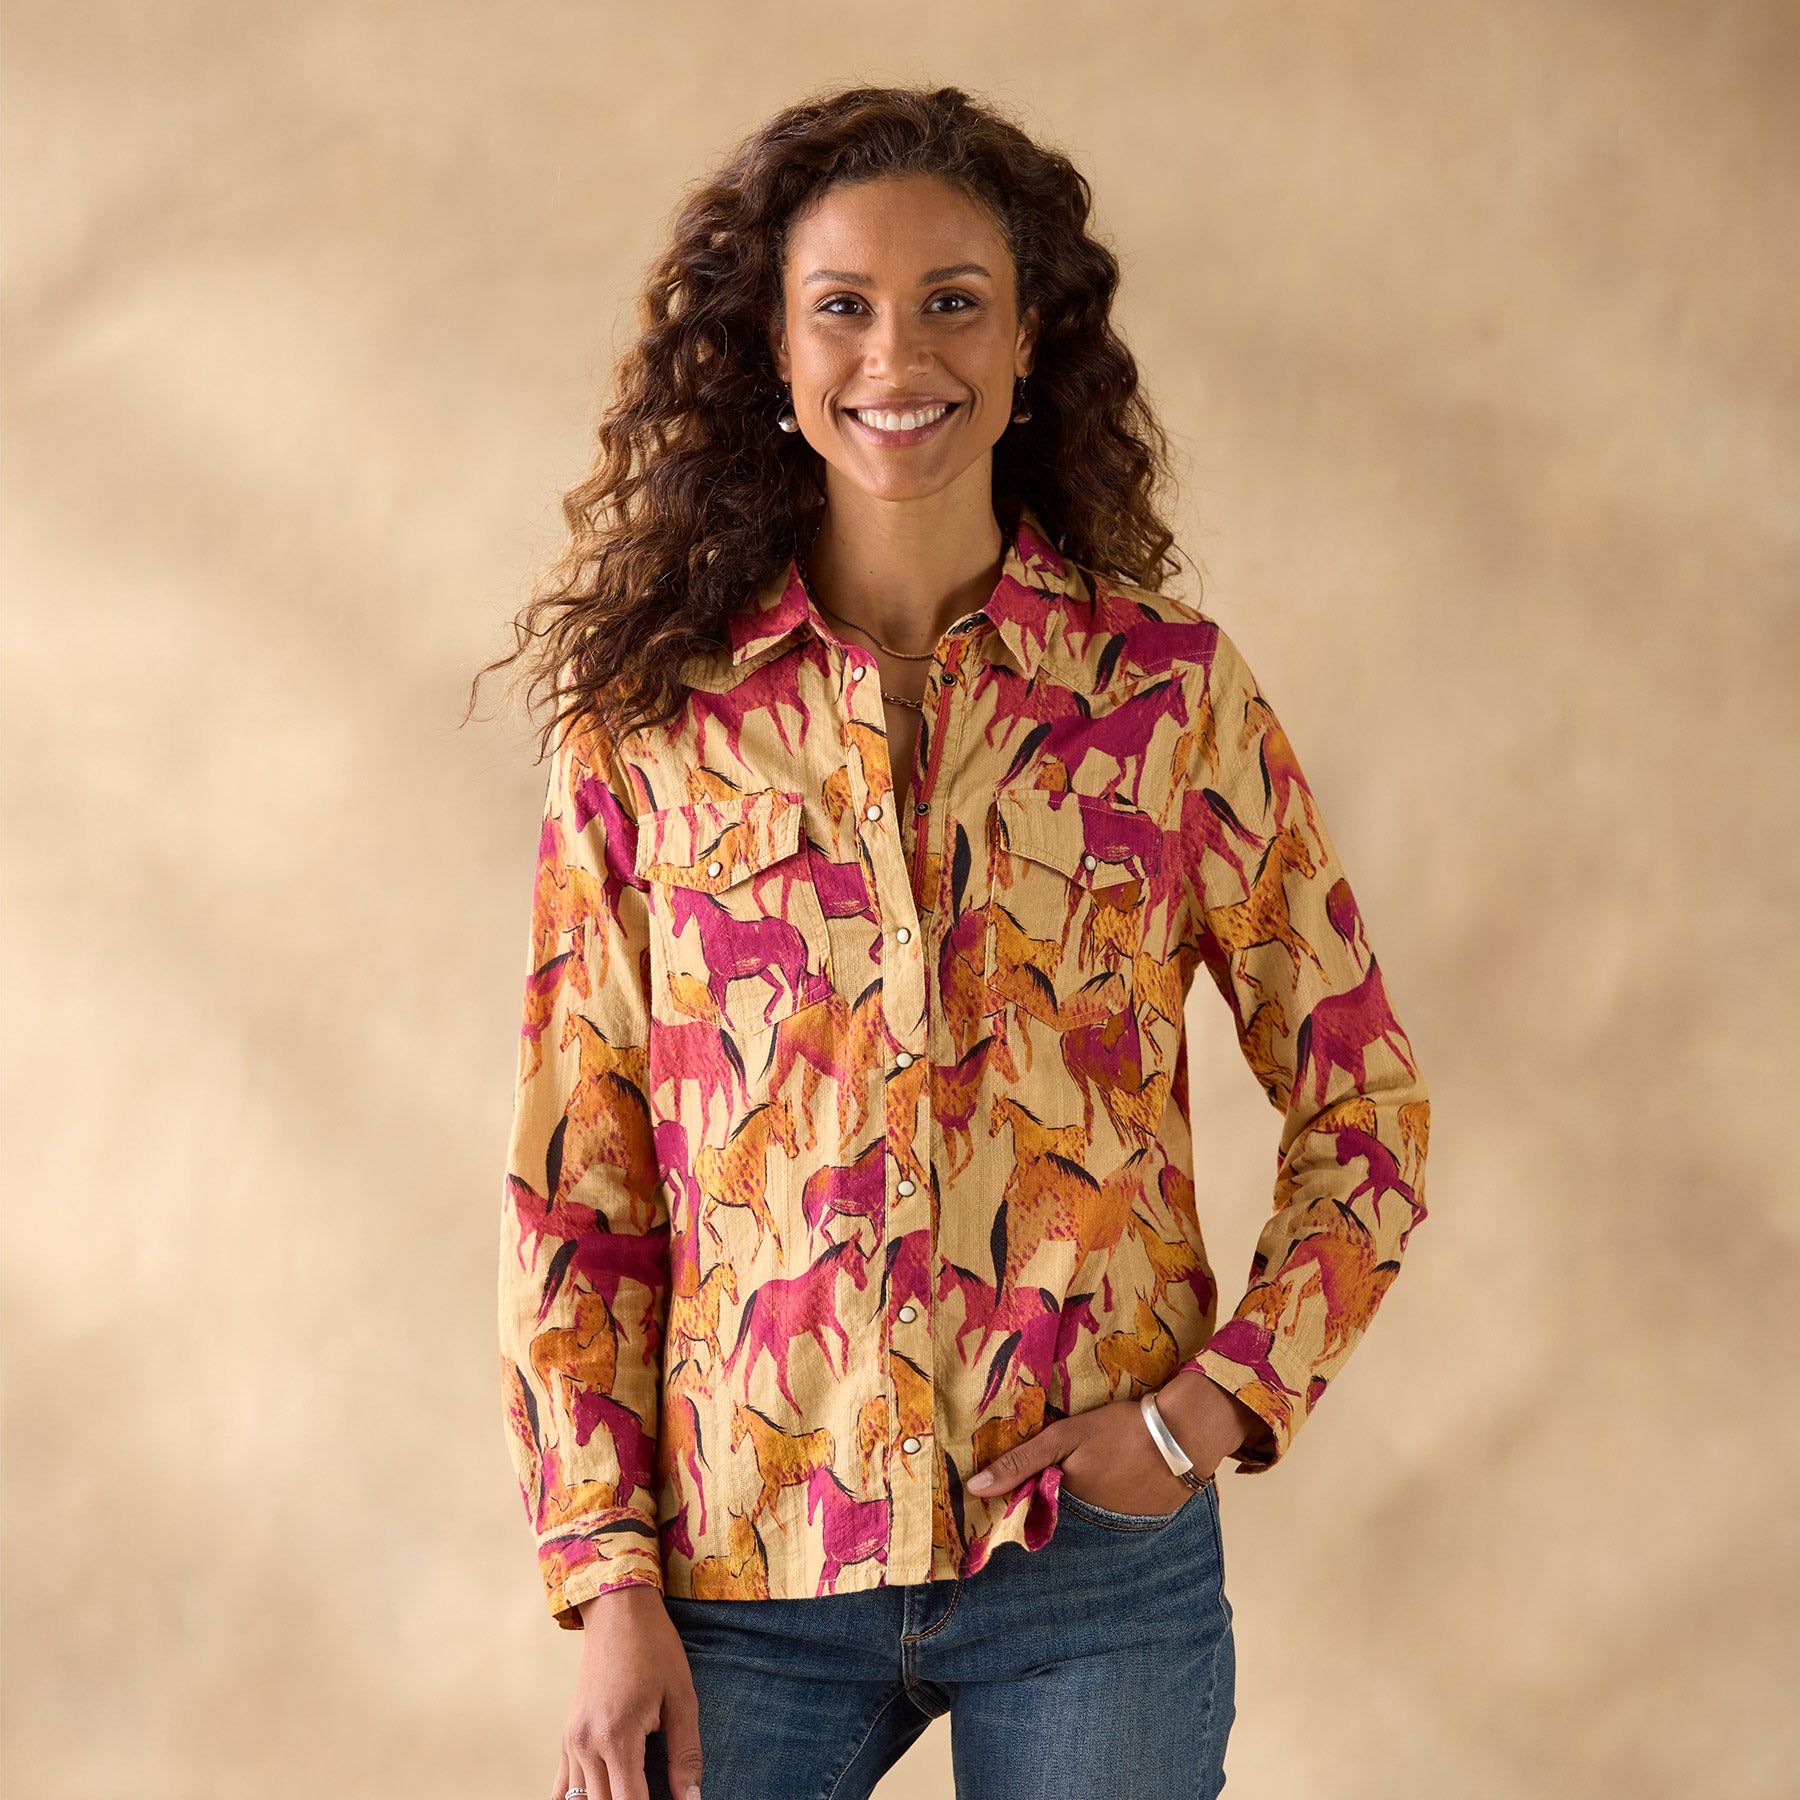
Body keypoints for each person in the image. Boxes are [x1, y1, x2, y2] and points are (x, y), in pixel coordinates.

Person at [476, 83, 1431, 1800]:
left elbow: (1365, 1104)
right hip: (745, 1565)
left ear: (1028, 339)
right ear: (774, 353)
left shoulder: (1167, 697)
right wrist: (608, 1580)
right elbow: (578, 1188)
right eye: (842, 305)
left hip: (1090, 1574)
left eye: (952, 301)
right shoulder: (647, 731)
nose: (895, 355)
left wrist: (1203, 1415)